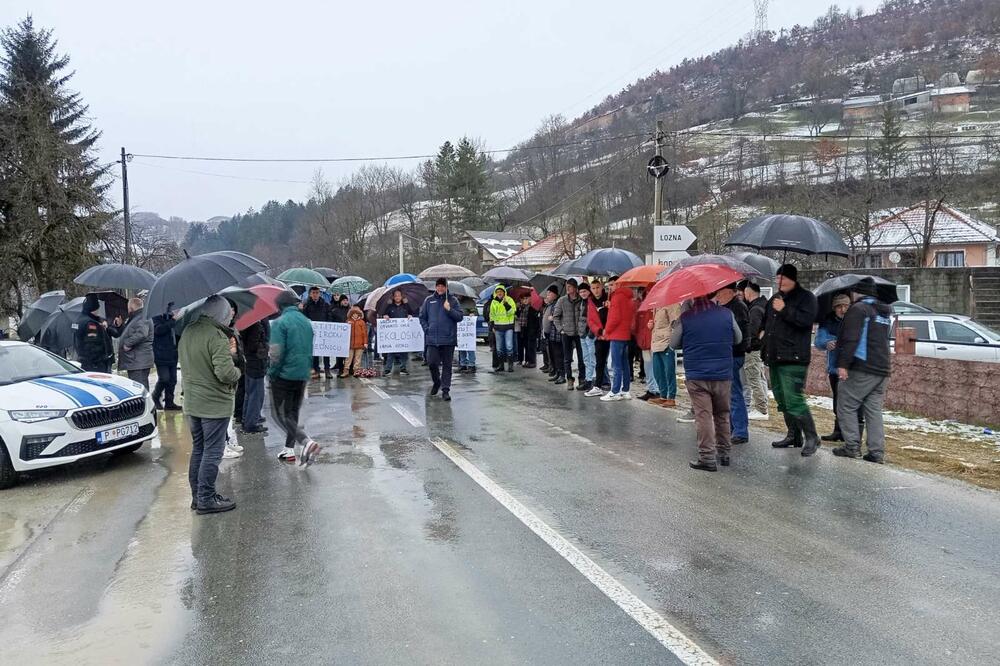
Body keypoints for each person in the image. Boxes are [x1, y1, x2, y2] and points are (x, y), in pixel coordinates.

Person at [178, 296, 242, 514]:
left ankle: (198, 497)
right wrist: (238, 370)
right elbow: (225, 373)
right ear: (220, 314)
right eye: (227, 313)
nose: (229, 317)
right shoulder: (216, 336)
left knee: (199, 450)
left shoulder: (188, 331)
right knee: (213, 452)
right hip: (213, 404)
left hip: (193, 403)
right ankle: (206, 498)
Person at [671, 295, 743, 471]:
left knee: (703, 415)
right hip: (723, 373)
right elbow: (738, 338)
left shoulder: (686, 318)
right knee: (722, 414)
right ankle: (724, 453)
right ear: (713, 296)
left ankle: (707, 458)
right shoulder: (727, 314)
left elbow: (674, 344)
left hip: (697, 375)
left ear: (693, 299)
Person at [832, 279, 893, 463]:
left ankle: (852, 447)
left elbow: (851, 339)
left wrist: (843, 364)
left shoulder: (859, 310)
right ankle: (876, 452)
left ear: (856, 293)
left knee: (846, 404)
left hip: (862, 367)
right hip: (882, 368)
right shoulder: (883, 312)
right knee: (873, 410)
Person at [763, 264, 820, 457]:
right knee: (781, 398)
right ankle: (794, 435)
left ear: (793, 279)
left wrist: (785, 310)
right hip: (775, 357)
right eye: (778, 278)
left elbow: (806, 322)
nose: (780, 282)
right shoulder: (775, 298)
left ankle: (812, 437)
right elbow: (767, 323)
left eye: (784, 278)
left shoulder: (806, 298)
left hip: (794, 358)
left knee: (794, 398)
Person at [269, 291, 320, 464]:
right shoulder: (306, 321)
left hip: (284, 374)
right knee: (292, 412)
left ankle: (305, 441)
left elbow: (276, 353)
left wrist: (272, 373)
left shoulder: (279, 323)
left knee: (279, 414)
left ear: (280, 306)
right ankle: (289, 449)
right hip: (302, 373)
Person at [814, 293, 860, 442]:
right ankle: (838, 431)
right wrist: (828, 342)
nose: (842, 309)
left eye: (845, 306)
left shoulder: (855, 320)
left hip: (852, 367)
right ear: (834, 308)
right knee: (837, 400)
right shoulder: (828, 321)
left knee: (851, 402)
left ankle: (852, 436)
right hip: (834, 367)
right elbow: (819, 341)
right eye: (839, 306)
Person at [714, 284, 750, 445]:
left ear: (729, 292)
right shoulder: (726, 307)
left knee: (734, 393)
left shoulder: (738, 307)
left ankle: (741, 431)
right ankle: (732, 427)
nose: (717, 295)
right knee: (727, 393)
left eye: (720, 292)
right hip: (725, 354)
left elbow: (738, 334)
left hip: (734, 354)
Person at [418, 277, 463, 401]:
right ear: (436, 287)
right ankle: (436, 382)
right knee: (432, 363)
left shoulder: (453, 300)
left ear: (446, 287)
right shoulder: (429, 300)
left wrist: (449, 310)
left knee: (447, 366)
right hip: (432, 339)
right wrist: (427, 329)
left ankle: (445, 390)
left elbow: (459, 317)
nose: (440, 288)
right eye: (438, 286)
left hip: (448, 339)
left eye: (443, 286)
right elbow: (422, 317)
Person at [600, 280, 637, 402]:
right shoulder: (629, 297)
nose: (610, 287)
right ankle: (625, 390)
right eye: (609, 285)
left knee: (616, 365)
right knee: (625, 364)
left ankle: (615, 391)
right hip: (625, 334)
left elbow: (615, 317)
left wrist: (607, 330)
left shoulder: (617, 297)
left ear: (618, 284)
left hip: (616, 334)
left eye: (612, 284)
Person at [109, 297, 154, 390]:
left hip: (138, 360)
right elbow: (131, 332)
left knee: (139, 388)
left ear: (131, 308)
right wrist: (121, 325)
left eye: (128, 307)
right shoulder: (136, 317)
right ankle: (145, 404)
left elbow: (142, 333)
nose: (127, 310)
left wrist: (127, 344)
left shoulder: (142, 317)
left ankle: (145, 404)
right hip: (136, 360)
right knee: (140, 386)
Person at [741, 281, 770, 421]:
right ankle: (763, 405)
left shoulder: (755, 309)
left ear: (748, 292)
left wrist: (747, 346)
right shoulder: (763, 305)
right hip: (760, 348)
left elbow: (752, 331)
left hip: (753, 349)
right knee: (759, 377)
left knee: (754, 378)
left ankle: (761, 409)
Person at [552, 278, 586, 389]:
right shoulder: (562, 300)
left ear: (575, 288)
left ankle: (582, 378)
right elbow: (556, 316)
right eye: (567, 286)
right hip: (566, 333)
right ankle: (570, 379)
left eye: (570, 286)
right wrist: (560, 329)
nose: (568, 288)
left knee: (582, 358)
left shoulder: (581, 299)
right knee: (567, 358)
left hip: (579, 333)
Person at [239, 318, 270, 434]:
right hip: (255, 363)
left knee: (250, 393)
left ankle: (246, 420)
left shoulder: (248, 323)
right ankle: (251, 423)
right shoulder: (255, 326)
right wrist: (266, 347)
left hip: (250, 362)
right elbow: (254, 346)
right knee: (256, 394)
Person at [74, 294, 114, 373]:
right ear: (94, 308)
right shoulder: (91, 324)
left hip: (84, 360)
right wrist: (100, 360)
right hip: (95, 364)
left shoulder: (79, 320)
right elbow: (92, 345)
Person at [151, 306, 181, 411]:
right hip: (161, 353)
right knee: (164, 378)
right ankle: (155, 396)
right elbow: (158, 330)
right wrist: (173, 320)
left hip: (172, 353)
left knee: (172, 380)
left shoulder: (173, 317)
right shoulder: (156, 317)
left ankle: (169, 402)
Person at [648, 305, 678, 407]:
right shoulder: (656, 306)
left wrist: (672, 342)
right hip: (656, 342)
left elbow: (676, 324)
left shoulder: (672, 305)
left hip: (666, 343)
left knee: (669, 371)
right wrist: (651, 326)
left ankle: (671, 397)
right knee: (658, 372)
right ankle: (663, 395)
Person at [302, 286, 332, 379]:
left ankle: (327, 370)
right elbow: (304, 318)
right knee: (315, 352)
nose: (315, 294)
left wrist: (328, 326)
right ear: (310, 294)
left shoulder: (325, 304)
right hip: (312, 331)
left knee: (326, 351)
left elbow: (329, 316)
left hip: (324, 331)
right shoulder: (306, 305)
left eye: (317, 293)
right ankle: (316, 370)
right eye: (313, 293)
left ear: (319, 294)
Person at [635, 291, 658, 401]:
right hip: (646, 342)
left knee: (651, 366)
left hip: (650, 342)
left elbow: (635, 326)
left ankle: (654, 389)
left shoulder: (647, 308)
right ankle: (653, 389)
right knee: (649, 366)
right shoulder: (644, 307)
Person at [382, 289, 411, 376]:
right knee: (391, 352)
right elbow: (384, 315)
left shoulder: (406, 306)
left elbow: (411, 313)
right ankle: (388, 369)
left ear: (402, 297)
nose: (397, 297)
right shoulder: (389, 307)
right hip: (392, 335)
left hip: (403, 333)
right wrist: (385, 316)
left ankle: (403, 368)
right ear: (393, 297)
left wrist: (410, 315)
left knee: (404, 352)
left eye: (399, 295)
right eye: (396, 296)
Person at [489, 285, 517, 373]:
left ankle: (510, 366)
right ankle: (501, 366)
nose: (499, 293)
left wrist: (506, 304)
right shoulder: (493, 302)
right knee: (499, 348)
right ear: (495, 293)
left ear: (504, 292)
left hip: (508, 327)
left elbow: (512, 312)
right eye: (497, 292)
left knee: (509, 346)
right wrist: (492, 327)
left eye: (501, 291)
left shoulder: (509, 300)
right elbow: (492, 315)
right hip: (497, 328)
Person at [589, 280, 611, 390]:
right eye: (593, 288)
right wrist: (598, 330)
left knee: (613, 361)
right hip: (599, 334)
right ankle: (598, 384)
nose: (596, 290)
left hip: (611, 333)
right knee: (599, 360)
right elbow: (590, 320)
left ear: (601, 287)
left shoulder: (608, 298)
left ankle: (613, 384)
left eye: (597, 287)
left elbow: (614, 315)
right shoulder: (591, 302)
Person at [542, 285, 565, 384]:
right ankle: (556, 372)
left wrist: (554, 318)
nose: (547, 295)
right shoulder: (550, 304)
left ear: (555, 294)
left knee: (559, 355)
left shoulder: (559, 303)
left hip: (557, 333)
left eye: (549, 293)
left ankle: (561, 375)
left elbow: (561, 316)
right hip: (550, 333)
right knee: (553, 355)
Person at [575, 284, 597, 392]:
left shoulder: (592, 302)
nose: (583, 293)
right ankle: (588, 380)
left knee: (592, 359)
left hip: (590, 334)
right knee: (586, 359)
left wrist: (591, 332)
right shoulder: (582, 303)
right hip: (582, 334)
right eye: (581, 292)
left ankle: (592, 381)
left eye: (585, 291)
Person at [341, 306, 367, 377]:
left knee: (357, 359)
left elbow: (364, 333)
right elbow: (344, 332)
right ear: (351, 314)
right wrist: (347, 325)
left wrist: (365, 342)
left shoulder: (362, 322)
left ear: (359, 314)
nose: (355, 315)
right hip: (350, 344)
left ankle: (356, 371)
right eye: (353, 313)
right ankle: (346, 370)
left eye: (356, 314)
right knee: (348, 358)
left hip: (360, 344)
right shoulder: (348, 322)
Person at [515, 292, 540, 369]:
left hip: (530, 329)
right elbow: (518, 316)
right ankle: (524, 360)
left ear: (530, 299)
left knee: (530, 346)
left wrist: (535, 331)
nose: (525, 300)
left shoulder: (532, 309)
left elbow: (536, 321)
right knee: (523, 345)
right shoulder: (520, 308)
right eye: (523, 299)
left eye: (526, 298)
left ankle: (531, 361)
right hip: (522, 328)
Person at [329, 294, 349, 374]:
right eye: (344, 300)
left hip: (347, 334)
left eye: (346, 300)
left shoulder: (350, 310)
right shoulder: (335, 311)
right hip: (339, 334)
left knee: (347, 352)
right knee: (340, 352)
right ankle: (340, 367)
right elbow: (331, 321)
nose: (346, 302)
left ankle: (347, 367)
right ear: (341, 301)